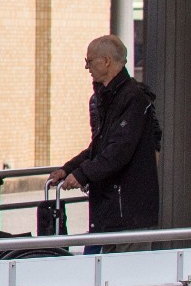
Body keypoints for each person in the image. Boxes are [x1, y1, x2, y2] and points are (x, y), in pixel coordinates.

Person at [48, 34, 160, 245]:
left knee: (122, 274)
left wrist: (82, 174)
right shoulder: (108, 97)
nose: (86, 67)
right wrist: (70, 169)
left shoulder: (133, 98)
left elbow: (118, 150)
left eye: (89, 61)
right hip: (111, 210)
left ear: (106, 61)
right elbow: (100, 146)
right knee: (105, 272)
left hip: (126, 213)